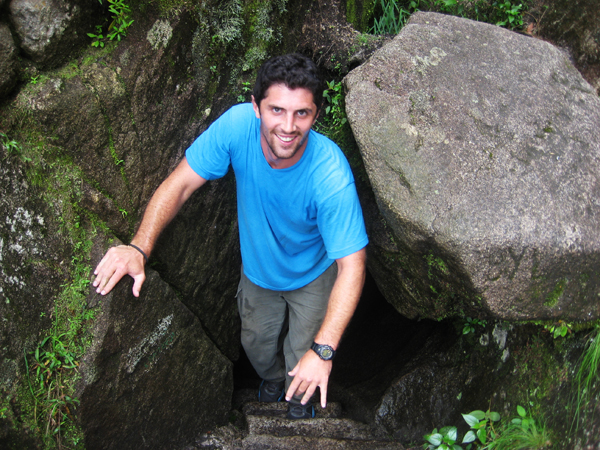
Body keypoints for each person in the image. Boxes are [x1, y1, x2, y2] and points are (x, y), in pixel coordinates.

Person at [92, 53, 368, 420]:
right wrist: (139, 247)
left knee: (303, 351)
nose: (288, 126)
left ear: (315, 115)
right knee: (255, 344)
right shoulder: (237, 127)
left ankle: (296, 399)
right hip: (258, 270)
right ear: (256, 107)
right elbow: (181, 185)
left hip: (314, 274)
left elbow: (353, 265)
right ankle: (272, 380)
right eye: (276, 110)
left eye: (301, 113)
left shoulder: (330, 175)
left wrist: (324, 352)